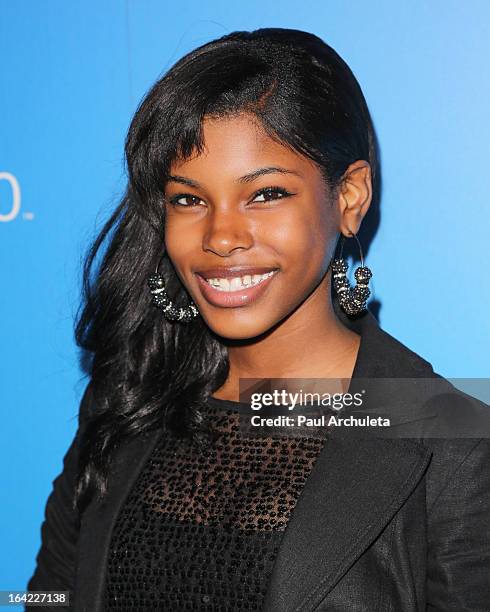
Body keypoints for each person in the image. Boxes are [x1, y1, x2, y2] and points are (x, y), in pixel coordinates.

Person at [27, 28, 490, 611]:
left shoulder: (454, 447)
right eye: (189, 199)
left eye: (265, 194)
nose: (221, 237)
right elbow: (49, 595)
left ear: (349, 197)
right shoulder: (127, 400)